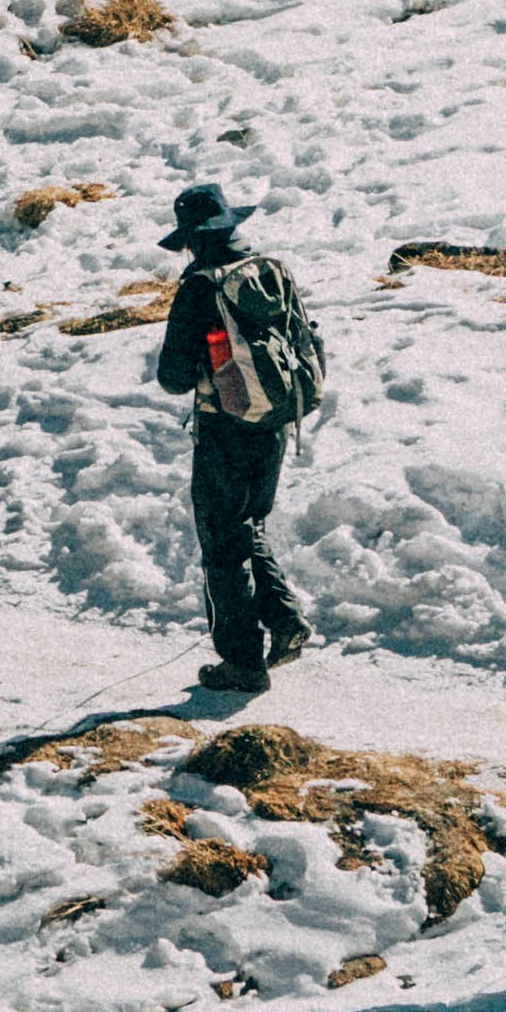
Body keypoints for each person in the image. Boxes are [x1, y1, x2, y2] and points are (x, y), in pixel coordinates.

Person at [148, 182, 321, 696]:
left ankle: (242, 663)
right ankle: (285, 620)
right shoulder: (272, 269)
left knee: (222, 543)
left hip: (225, 426)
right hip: (277, 421)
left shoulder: (201, 286)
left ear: (192, 240)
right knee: (250, 525)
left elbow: (173, 376)